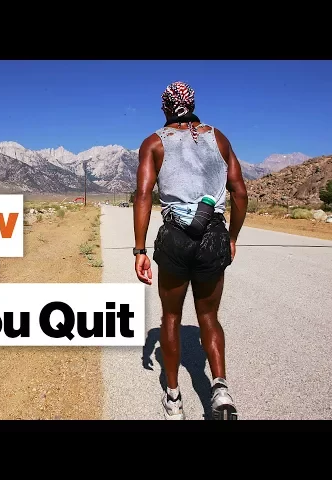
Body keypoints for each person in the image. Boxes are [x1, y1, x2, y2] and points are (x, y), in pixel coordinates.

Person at [133, 81, 248, 420]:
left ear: (165, 108)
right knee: (209, 317)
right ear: (193, 105)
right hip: (214, 234)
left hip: (175, 238)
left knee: (171, 317)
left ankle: (173, 398)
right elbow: (240, 193)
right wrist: (232, 236)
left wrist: (140, 249)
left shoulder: (154, 143)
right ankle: (220, 388)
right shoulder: (218, 138)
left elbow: (143, 195)